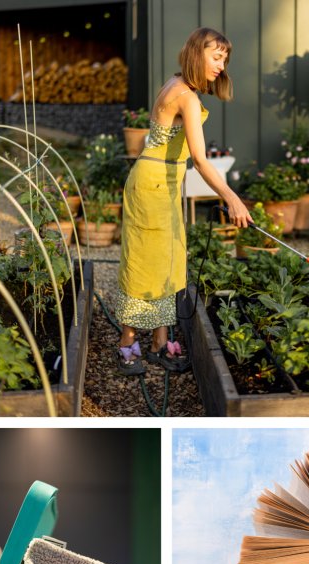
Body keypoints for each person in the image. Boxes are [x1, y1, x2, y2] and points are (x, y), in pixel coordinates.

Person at [114, 27, 252, 375]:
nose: (221, 66)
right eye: (216, 57)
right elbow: (201, 161)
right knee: (145, 262)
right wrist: (232, 198)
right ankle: (127, 343)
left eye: (225, 59)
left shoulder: (176, 83)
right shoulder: (186, 97)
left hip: (162, 182)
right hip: (153, 186)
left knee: (169, 261)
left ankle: (159, 343)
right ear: (196, 53)